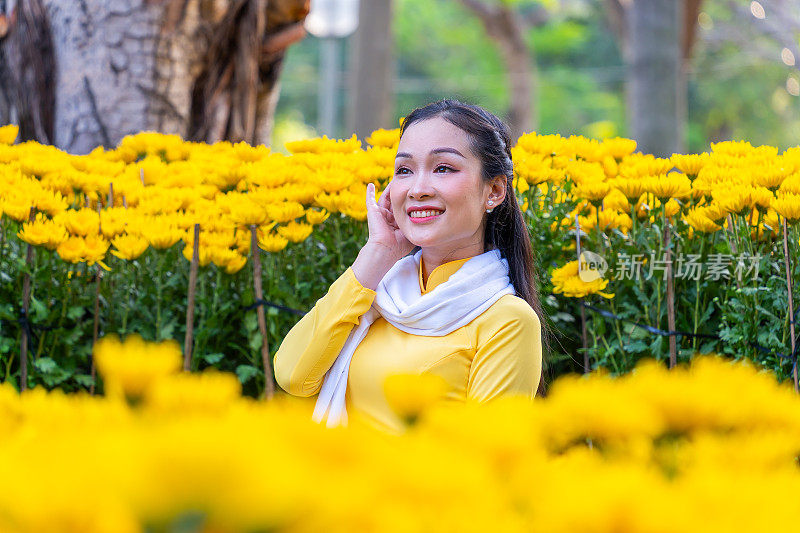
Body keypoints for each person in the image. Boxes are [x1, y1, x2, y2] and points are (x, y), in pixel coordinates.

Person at [273, 99, 547, 435]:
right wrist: (377, 254)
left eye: (443, 168)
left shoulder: (506, 320)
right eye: (404, 170)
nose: (417, 189)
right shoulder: (376, 296)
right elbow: (293, 376)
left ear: (494, 190)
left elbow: (484, 460)